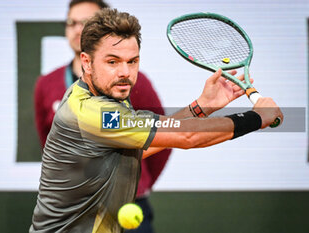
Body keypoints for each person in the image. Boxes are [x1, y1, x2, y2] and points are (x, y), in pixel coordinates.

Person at [30, 8, 283, 233]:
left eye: (133, 61)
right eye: (112, 62)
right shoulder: (94, 113)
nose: (125, 73)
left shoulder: (103, 95)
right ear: (86, 62)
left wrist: (201, 107)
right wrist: (256, 118)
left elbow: (147, 142)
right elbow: (186, 136)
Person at [33, 1, 171, 232]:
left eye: (86, 23)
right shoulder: (46, 84)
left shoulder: (133, 81)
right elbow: (48, 145)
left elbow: (164, 137)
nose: (78, 29)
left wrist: (136, 181)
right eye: (72, 23)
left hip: (128, 208)